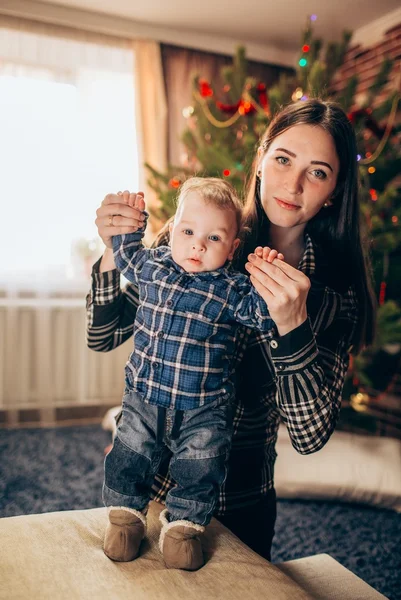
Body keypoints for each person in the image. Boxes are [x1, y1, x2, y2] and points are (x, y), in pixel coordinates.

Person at [87, 98, 376, 563]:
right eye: (283, 159)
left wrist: (292, 326)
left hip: (242, 500)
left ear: (335, 191)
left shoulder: (332, 295)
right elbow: (103, 337)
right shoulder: (199, 233)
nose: (293, 183)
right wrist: (108, 251)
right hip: (154, 485)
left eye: (318, 172)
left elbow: (308, 437)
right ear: (261, 160)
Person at [101, 177, 282, 571]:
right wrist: (130, 221)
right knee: (129, 453)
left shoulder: (232, 289)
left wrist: (268, 277)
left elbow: (264, 317)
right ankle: (125, 516)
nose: (198, 244)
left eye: (214, 238)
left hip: (205, 407)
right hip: (145, 395)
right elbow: (127, 254)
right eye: (188, 231)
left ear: (234, 248)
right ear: (171, 232)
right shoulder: (155, 267)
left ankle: (183, 526)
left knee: (201, 466)